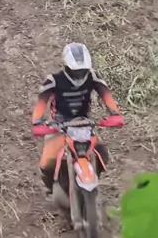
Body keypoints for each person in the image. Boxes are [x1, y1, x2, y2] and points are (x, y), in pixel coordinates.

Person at [32, 43, 124, 192]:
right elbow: (41, 102)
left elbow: (105, 94)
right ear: (66, 66)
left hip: (84, 123)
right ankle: (50, 188)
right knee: (46, 163)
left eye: (83, 70)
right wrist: (37, 122)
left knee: (101, 152)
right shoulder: (54, 80)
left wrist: (115, 114)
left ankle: (91, 178)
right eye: (76, 71)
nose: (80, 74)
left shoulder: (93, 76)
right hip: (59, 125)